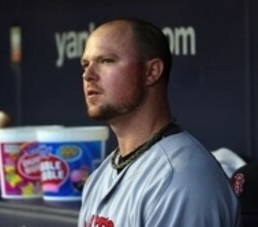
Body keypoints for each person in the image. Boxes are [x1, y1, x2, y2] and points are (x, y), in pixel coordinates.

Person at [78, 18, 241, 227]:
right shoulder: (99, 178)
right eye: (85, 64)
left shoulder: (183, 179)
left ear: (151, 72)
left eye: (107, 61)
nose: (88, 75)